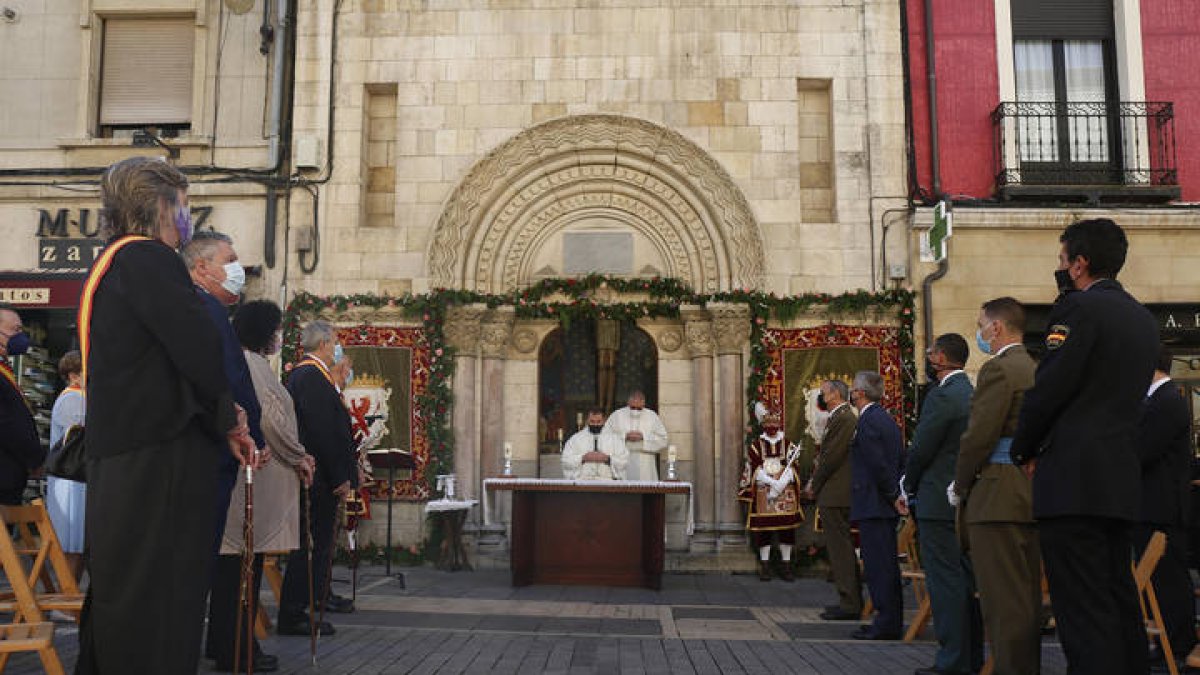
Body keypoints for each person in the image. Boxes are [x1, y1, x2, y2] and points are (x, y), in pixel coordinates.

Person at [77, 156, 255, 674]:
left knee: (123, 596)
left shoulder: (112, 261)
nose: (189, 216)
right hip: (158, 463)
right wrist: (229, 420)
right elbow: (199, 351)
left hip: (125, 458)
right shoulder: (149, 261)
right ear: (161, 205)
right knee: (158, 600)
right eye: (185, 203)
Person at [1011, 217, 1159, 675]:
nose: (1060, 268)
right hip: (1116, 478)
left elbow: (1049, 387)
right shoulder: (1141, 317)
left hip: (1072, 479)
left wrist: (1023, 447)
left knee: (1082, 609)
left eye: (1063, 260)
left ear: (1080, 263)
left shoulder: (1078, 310)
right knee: (1118, 602)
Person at [183, 232, 278, 672]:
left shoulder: (213, 311)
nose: (238, 268)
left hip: (230, 453)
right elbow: (222, 381)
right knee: (201, 563)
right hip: (218, 454)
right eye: (230, 259)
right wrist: (244, 431)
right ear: (202, 267)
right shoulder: (202, 309)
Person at [952, 298, 1042, 675]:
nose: (980, 333)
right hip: (1030, 491)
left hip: (996, 493)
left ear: (997, 328)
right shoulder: (1036, 367)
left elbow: (979, 437)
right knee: (1026, 597)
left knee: (1002, 602)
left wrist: (960, 482)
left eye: (981, 325)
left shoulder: (999, 370)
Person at [901, 334, 982, 675]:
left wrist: (908, 484)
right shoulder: (970, 392)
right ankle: (970, 657)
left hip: (937, 499)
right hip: (962, 502)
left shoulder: (944, 395)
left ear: (943, 357)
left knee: (946, 584)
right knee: (964, 582)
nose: (928, 356)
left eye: (932, 351)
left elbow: (922, 448)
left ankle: (951, 661)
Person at [277, 320, 358, 637]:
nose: (337, 349)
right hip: (320, 479)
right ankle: (294, 612)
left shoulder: (315, 377)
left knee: (321, 545)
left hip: (322, 476)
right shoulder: (310, 377)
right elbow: (323, 433)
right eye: (335, 342)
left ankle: (314, 598)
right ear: (324, 344)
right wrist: (339, 475)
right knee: (311, 546)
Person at [1134, 346, 1196, 667]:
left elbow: (1142, 450)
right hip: (1151, 506)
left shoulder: (1167, 401)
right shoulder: (1156, 400)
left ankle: (1180, 643)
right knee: (1158, 582)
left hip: (1162, 507)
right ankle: (1167, 641)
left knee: (1170, 581)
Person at [848, 370, 905, 640]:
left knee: (879, 566)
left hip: (876, 502)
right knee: (884, 564)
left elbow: (878, 464)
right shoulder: (883, 419)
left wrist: (892, 493)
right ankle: (888, 618)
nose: (851, 392)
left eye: (852, 389)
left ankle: (887, 622)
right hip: (880, 503)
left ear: (859, 393)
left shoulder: (870, 420)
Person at [809, 380, 862, 620]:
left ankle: (850, 603)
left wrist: (815, 483)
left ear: (836, 394)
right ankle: (847, 598)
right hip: (834, 491)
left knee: (841, 548)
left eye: (824, 393)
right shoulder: (838, 418)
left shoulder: (844, 419)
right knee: (839, 548)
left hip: (837, 492)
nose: (821, 397)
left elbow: (831, 457)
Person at [738, 411, 803, 581]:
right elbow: (754, 467)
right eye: (768, 423)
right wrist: (772, 483)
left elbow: (793, 467)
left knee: (786, 530)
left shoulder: (788, 445)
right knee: (764, 530)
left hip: (785, 493)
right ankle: (765, 565)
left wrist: (781, 483)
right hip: (764, 492)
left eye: (774, 423)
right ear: (763, 424)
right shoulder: (756, 446)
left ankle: (786, 565)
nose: (771, 426)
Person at [47, 350, 86, 580]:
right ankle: (66, 597)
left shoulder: (80, 397)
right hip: (71, 478)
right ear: (73, 376)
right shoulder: (72, 398)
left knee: (79, 544)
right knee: (72, 542)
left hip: (77, 478)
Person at [0, 304, 42, 507]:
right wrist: (34, 458)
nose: (20, 336)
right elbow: (8, 424)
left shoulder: (4, 368)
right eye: (15, 330)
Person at [602, 390, 668, 481]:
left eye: (639, 408)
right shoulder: (617, 415)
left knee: (645, 489)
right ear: (628, 403)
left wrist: (643, 437)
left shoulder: (652, 416)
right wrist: (624, 436)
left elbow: (663, 439)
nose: (635, 411)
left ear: (644, 404)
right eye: (633, 407)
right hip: (622, 460)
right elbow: (605, 436)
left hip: (645, 462)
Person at [561, 407, 628, 480]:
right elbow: (566, 461)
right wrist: (583, 458)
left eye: (598, 421)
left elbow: (624, 461)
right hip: (583, 481)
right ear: (587, 421)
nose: (595, 424)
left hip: (607, 481)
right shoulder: (575, 439)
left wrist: (607, 459)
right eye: (592, 421)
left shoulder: (615, 439)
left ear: (604, 421)